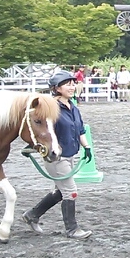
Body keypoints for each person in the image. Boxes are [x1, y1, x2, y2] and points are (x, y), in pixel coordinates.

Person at [21, 71, 94, 239]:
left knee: (61, 191)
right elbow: (41, 130)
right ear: (57, 88)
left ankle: (32, 215)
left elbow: (80, 129)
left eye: (73, 84)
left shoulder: (73, 107)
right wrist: (32, 145)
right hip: (56, 157)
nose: (72, 87)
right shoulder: (50, 109)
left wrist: (87, 147)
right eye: (68, 84)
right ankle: (72, 229)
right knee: (70, 191)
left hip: (70, 154)